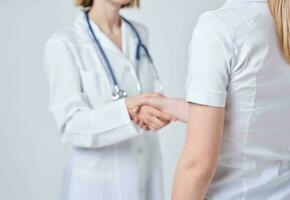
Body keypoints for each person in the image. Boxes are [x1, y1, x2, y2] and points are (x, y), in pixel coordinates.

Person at [145, 0, 290, 199]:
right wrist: (176, 107)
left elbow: (198, 165)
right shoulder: (279, 20)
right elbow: (263, 112)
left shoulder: (221, 28)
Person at [43, 0, 176, 199]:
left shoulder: (139, 34)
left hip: (146, 174)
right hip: (96, 187)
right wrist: (125, 111)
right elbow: (70, 126)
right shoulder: (65, 43)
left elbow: (150, 95)